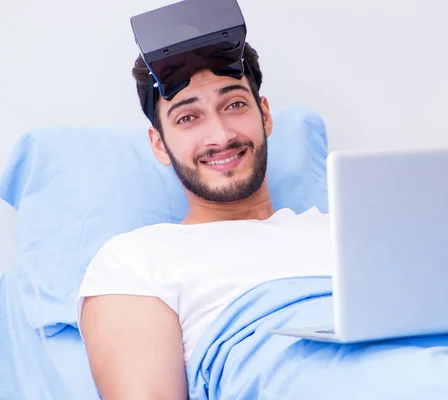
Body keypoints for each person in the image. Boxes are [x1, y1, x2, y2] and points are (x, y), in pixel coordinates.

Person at [77, 42, 332, 400]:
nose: (221, 136)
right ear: (160, 145)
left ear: (265, 115)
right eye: (187, 118)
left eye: (235, 105)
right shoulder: (135, 260)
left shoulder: (345, 232)